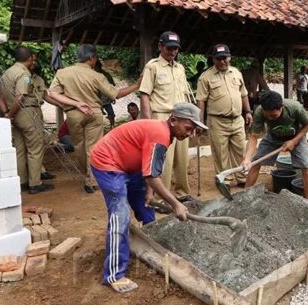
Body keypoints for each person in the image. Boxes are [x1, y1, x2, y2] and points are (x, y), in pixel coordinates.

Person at [90, 102, 206, 293]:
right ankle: (114, 275)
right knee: (120, 216)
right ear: (173, 120)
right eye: (188, 128)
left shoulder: (167, 134)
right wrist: (175, 204)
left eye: (193, 130)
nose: (190, 134)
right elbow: (151, 176)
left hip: (131, 166)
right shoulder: (159, 134)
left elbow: (152, 168)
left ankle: (151, 250)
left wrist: (149, 192)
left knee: (146, 208)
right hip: (108, 164)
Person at [47, 44, 138, 193]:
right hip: (94, 113)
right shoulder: (97, 75)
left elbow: (52, 93)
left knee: (79, 147)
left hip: (74, 113)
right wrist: (136, 85)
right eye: (96, 58)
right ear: (91, 58)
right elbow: (116, 94)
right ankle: (92, 179)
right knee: (94, 148)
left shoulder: (63, 73)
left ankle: (87, 174)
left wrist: (75, 104)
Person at [138, 31, 193, 201]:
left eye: (175, 48)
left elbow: (185, 96)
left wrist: (192, 121)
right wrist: (148, 122)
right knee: (164, 161)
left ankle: (183, 193)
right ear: (160, 46)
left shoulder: (180, 68)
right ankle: (163, 197)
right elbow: (144, 94)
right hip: (161, 117)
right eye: (169, 48)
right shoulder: (152, 66)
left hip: (181, 118)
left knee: (182, 159)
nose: (173, 52)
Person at [196, 44, 253, 188]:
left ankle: (242, 178)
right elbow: (201, 100)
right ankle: (225, 180)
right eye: (218, 59)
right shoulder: (205, 77)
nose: (222, 62)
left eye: (224, 58)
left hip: (237, 119)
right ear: (213, 59)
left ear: (230, 57)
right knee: (220, 153)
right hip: (217, 121)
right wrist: (199, 121)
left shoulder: (236, 73)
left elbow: (244, 94)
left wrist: (248, 111)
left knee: (241, 149)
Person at [0, 47, 53, 194]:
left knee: (20, 149)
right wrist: (10, 115)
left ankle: (22, 181)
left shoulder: (6, 73)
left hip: (16, 116)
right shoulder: (24, 74)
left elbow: (1, 96)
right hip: (27, 112)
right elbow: (20, 97)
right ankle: (35, 183)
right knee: (35, 148)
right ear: (30, 58)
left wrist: (8, 114)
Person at [242, 91, 308, 200]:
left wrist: (294, 141)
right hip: (273, 137)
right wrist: (247, 159)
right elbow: (254, 137)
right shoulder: (259, 111)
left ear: (281, 107)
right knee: (255, 163)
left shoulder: (295, 108)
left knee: (305, 167)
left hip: (296, 136)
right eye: (268, 116)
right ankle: (244, 197)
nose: (270, 118)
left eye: (274, 116)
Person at [29, 60, 57, 181]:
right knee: (34, 144)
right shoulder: (22, 77)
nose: (34, 63)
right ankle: (36, 177)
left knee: (38, 142)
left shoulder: (38, 79)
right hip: (26, 111)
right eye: (32, 60)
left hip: (36, 111)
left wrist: (61, 104)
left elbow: (45, 96)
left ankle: (40, 170)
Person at [95, 60, 117, 129]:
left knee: (111, 114)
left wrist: (112, 97)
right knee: (96, 117)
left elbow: (112, 86)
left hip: (106, 99)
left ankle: (112, 126)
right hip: (96, 100)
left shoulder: (106, 75)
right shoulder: (91, 75)